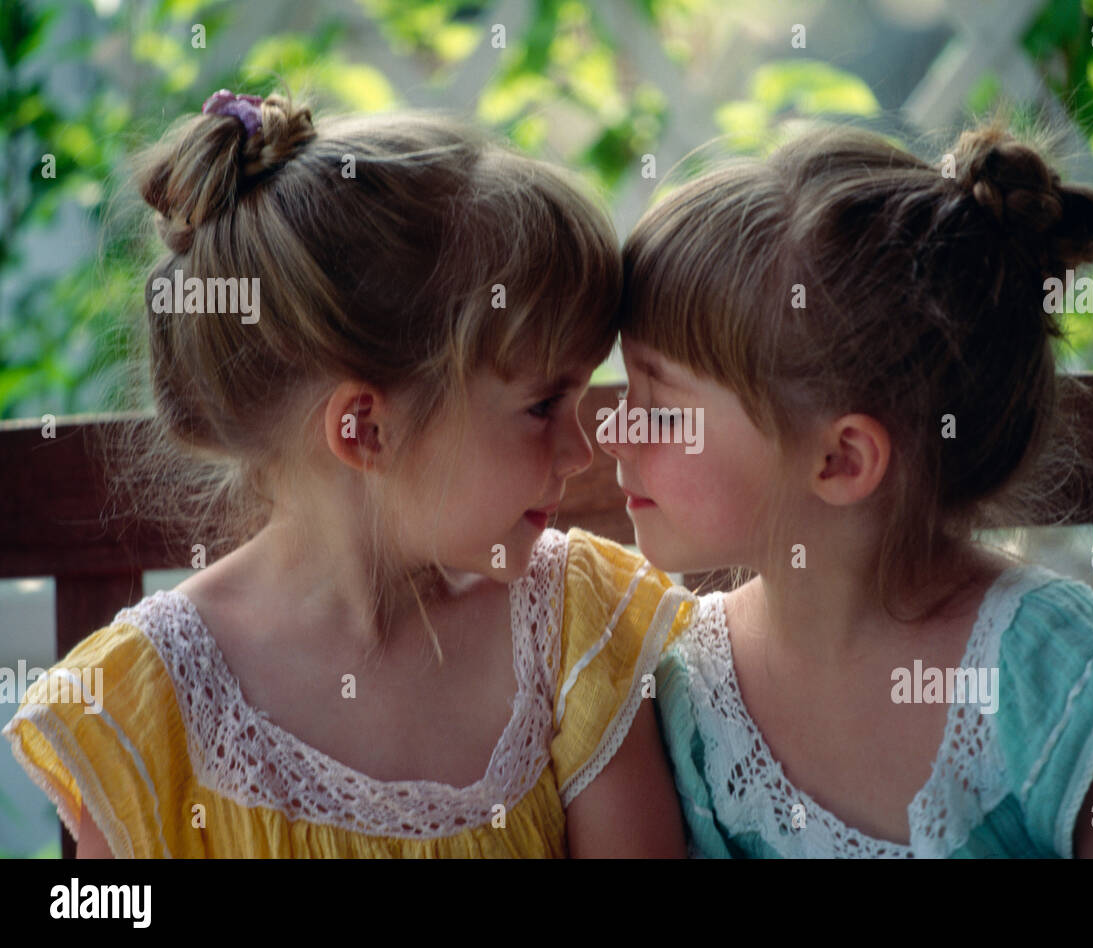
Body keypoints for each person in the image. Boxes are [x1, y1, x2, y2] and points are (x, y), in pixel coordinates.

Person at [4, 90, 690, 858]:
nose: (582, 450)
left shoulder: (573, 632)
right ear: (365, 430)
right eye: (543, 405)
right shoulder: (145, 713)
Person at [601, 122, 1093, 857]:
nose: (613, 431)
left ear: (842, 461)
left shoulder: (1040, 673)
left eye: (659, 410)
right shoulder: (692, 696)